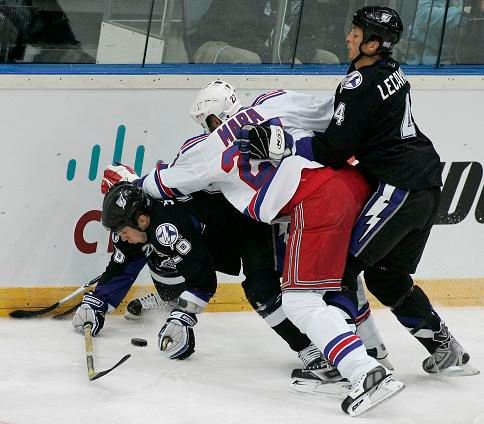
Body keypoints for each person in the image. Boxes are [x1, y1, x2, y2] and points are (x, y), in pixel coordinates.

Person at [103, 81, 405, 416]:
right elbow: (339, 116)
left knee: (300, 299)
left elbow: (161, 183)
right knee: (336, 279)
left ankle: (363, 370)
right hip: (352, 180)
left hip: (312, 201)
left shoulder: (206, 149)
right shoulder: (271, 102)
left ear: (215, 119)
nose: (207, 128)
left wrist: (129, 184)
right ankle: (372, 355)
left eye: (207, 122)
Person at [244, 6, 479, 377]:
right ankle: (445, 348)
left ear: (373, 43)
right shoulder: (392, 71)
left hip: (400, 188)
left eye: (356, 33)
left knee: (342, 269)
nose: (348, 38)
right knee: (387, 278)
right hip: (427, 185)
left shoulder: (358, 83)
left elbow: (334, 150)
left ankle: (349, 364)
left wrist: (285, 145)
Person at [73, 184, 331, 370]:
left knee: (261, 290)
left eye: (122, 230)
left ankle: (307, 346)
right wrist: (97, 303)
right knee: (162, 265)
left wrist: (184, 318)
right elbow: (122, 266)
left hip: (245, 227)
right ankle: (171, 301)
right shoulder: (137, 220)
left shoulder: (167, 227)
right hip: (206, 236)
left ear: (141, 219)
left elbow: (203, 278)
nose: (120, 236)